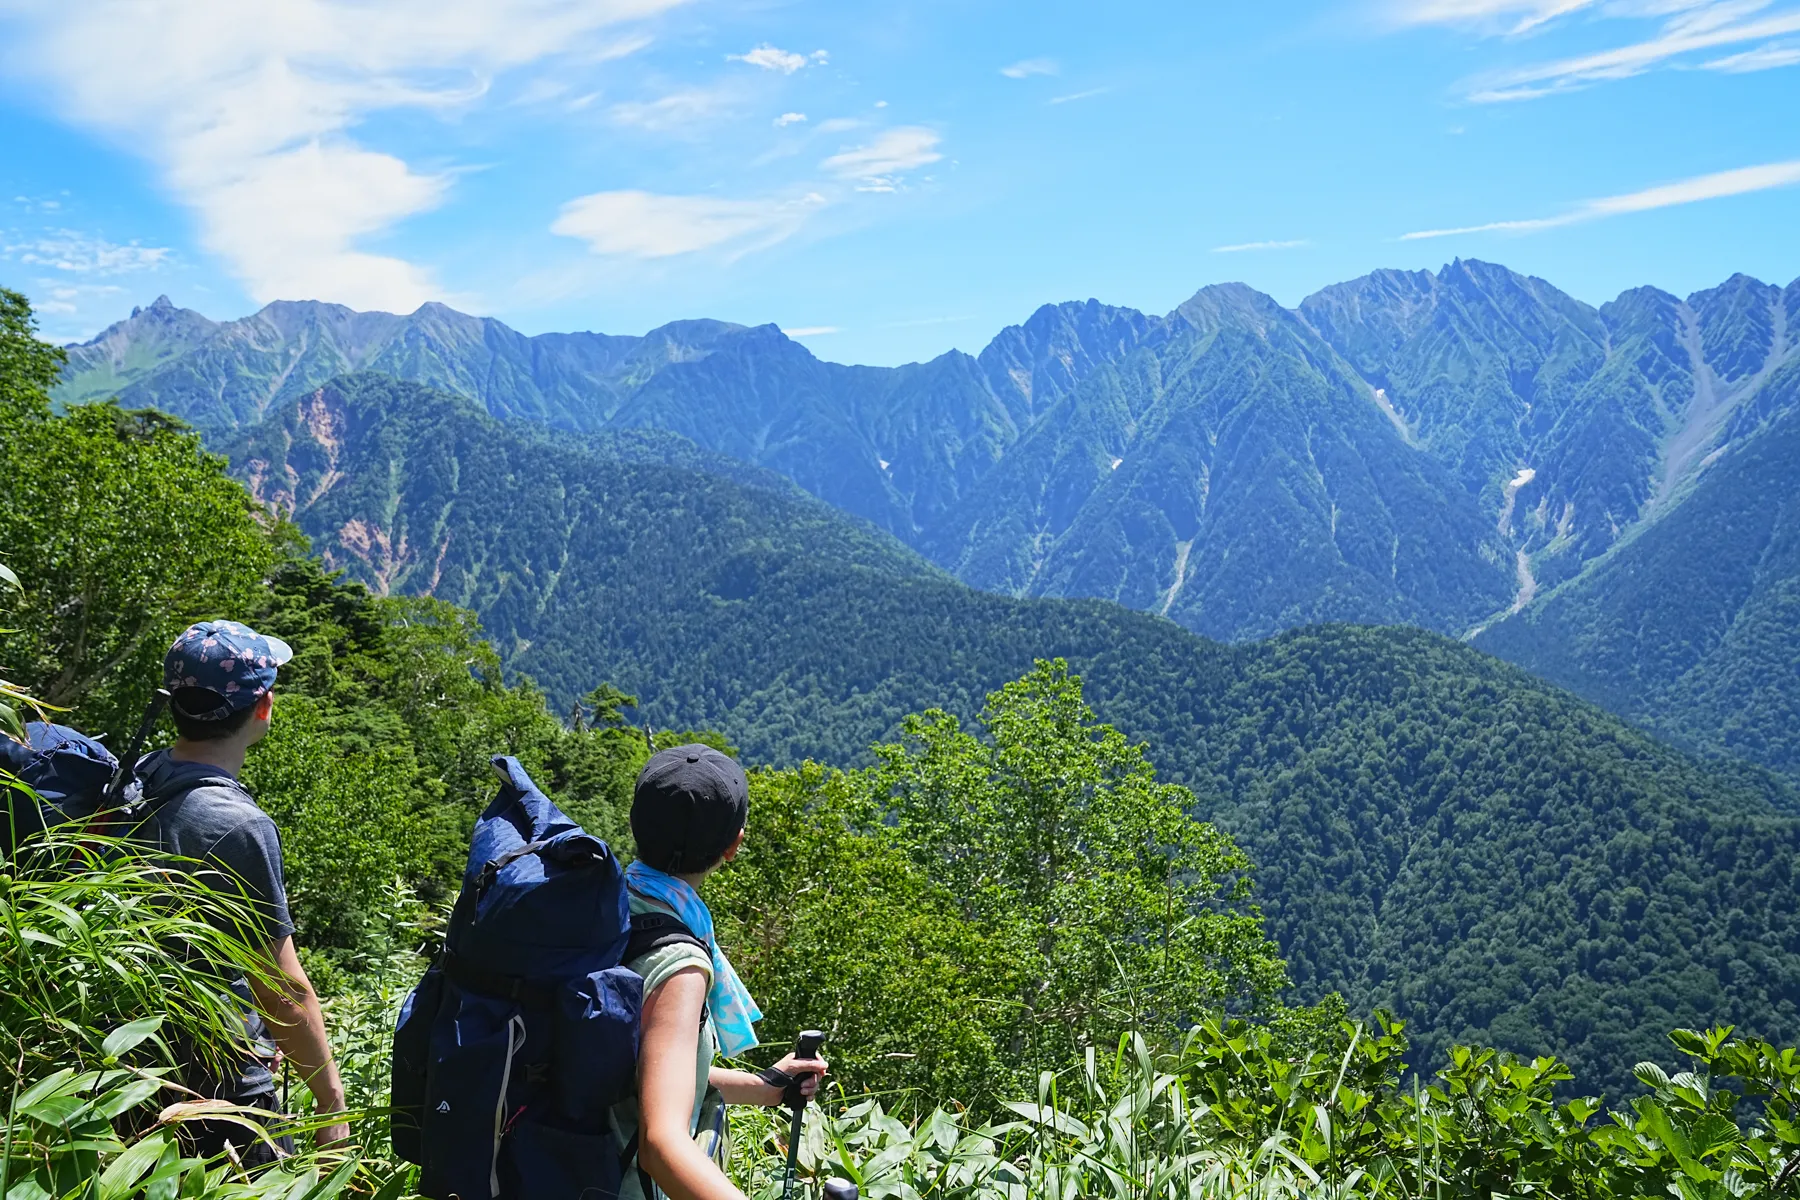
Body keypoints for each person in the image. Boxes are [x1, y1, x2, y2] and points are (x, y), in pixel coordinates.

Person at [131, 620, 347, 1162]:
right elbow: (284, 990)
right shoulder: (235, 825)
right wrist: (330, 1103)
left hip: (132, 1065)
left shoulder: (142, 775)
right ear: (264, 706)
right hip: (216, 1091)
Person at [624, 744, 827, 1200]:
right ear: (733, 846)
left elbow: (639, 1074)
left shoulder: (608, 902)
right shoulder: (678, 965)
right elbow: (661, 1145)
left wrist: (764, 1087)